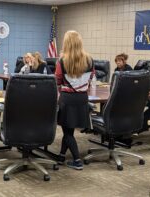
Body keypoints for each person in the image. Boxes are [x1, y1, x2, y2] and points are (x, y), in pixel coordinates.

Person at [55, 30, 93, 170]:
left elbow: (58, 80)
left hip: (67, 99)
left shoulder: (62, 61)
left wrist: (62, 90)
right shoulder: (89, 59)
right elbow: (91, 78)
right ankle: (61, 156)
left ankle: (77, 160)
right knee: (69, 131)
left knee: (67, 131)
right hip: (82, 98)